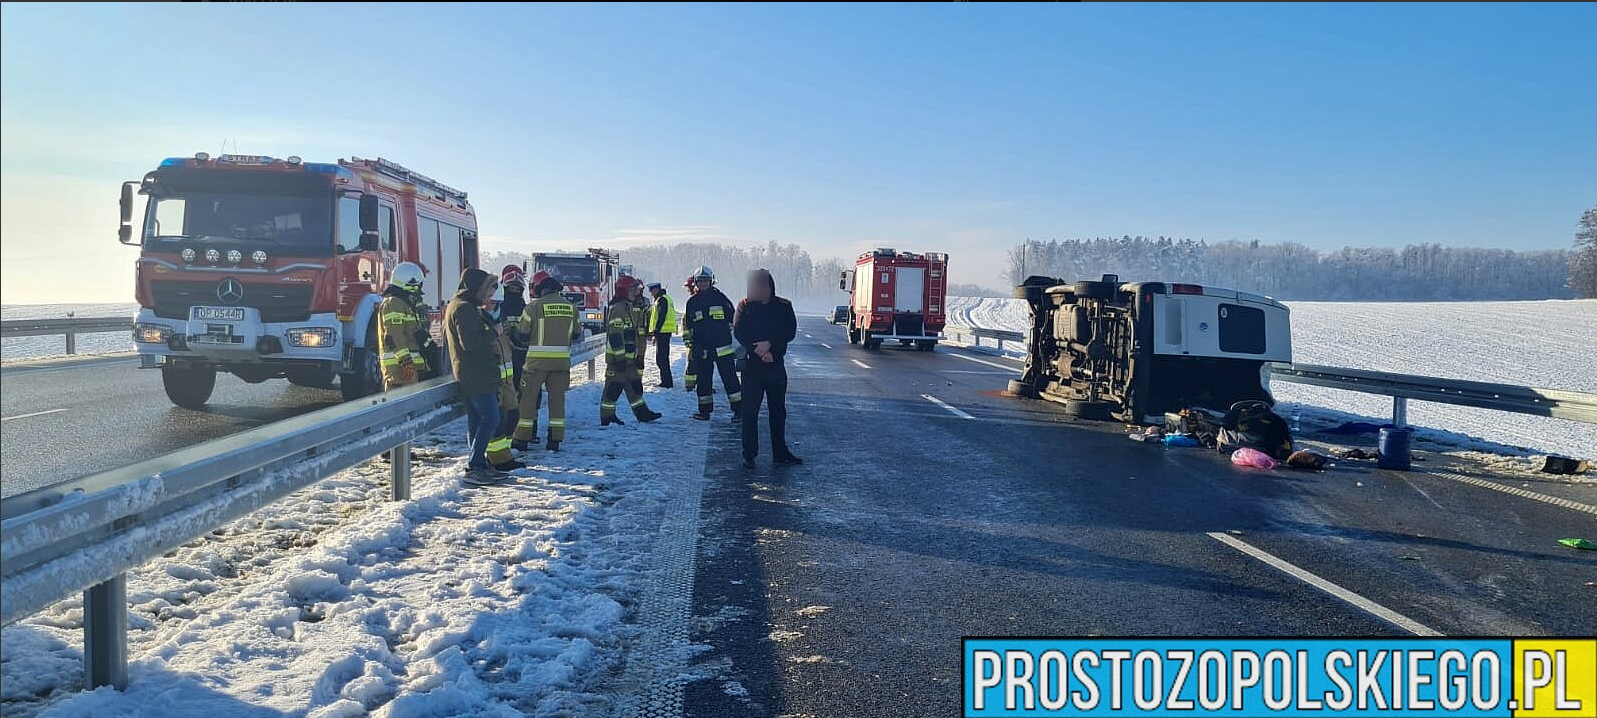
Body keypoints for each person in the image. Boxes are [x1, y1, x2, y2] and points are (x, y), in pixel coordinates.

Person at [443, 268, 508, 484]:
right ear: (477, 288)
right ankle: (475, 465)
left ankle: (477, 463)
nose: (490, 294)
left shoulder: (463, 306)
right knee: (491, 418)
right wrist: (495, 331)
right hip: (476, 373)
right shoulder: (463, 309)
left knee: (476, 419)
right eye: (488, 288)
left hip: (472, 372)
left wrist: (485, 312)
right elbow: (471, 343)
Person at [734, 269, 802, 468]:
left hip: (775, 365)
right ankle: (749, 454)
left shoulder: (783, 306)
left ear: (770, 286)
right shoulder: (744, 306)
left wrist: (771, 345)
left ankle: (780, 452)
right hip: (752, 367)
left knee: (778, 411)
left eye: (763, 285)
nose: (760, 289)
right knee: (750, 411)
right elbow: (739, 331)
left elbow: (789, 331)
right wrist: (759, 351)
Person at [513, 271, 581, 452]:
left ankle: (522, 439)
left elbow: (521, 335)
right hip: (561, 364)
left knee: (527, 400)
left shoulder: (533, 308)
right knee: (557, 401)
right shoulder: (571, 308)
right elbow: (577, 334)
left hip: (536, 364)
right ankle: (555, 440)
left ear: (540, 290)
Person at [600, 275, 663, 426]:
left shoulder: (628, 307)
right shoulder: (617, 309)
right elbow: (616, 336)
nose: (636, 292)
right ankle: (607, 417)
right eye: (633, 289)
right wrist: (620, 357)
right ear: (625, 291)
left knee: (634, 385)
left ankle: (642, 413)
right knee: (612, 389)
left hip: (629, 360)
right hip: (618, 361)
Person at [683, 265, 741, 422]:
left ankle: (739, 411)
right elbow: (689, 326)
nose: (703, 284)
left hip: (723, 348)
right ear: (696, 282)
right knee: (703, 382)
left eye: (706, 281)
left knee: (730, 380)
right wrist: (692, 345)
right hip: (702, 350)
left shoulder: (721, 299)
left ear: (711, 281)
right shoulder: (692, 303)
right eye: (700, 281)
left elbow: (734, 320)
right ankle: (704, 412)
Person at [483, 285, 525, 472]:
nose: (493, 306)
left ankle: (504, 451)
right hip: (493, 380)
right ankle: (497, 458)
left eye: (496, 302)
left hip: (507, 380)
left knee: (513, 414)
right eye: (491, 302)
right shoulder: (480, 321)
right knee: (498, 419)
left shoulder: (499, 321)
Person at [376, 262, 431, 390]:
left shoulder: (407, 303)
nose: (420, 287)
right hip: (400, 371)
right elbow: (393, 336)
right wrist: (405, 361)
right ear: (411, 282)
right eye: (419, 283)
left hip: (412, 369)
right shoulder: (393, 303)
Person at [499, 265, 529, 396]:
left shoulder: (526, 308)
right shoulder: (498, 307)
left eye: (517, 289)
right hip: (504, 354)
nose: (514, 291)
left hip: (522, 354)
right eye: (512, 288)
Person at [646, 282, 676, 388]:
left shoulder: (661, 300)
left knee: (661, 359)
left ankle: (667, 382)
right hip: (665, 332)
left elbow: (661, 317)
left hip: (663, 332)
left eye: (652, 290)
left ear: (657, 290)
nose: (651, 293)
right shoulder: (665, 298)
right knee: (662, 358)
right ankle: (667, 381)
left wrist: (656, 333)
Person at [681, 276, 700, 393]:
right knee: (692, 362)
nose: (688, 290)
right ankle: (690, 385)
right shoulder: (692, 302)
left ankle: (696, 383)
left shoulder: (696, 301)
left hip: (698, 339)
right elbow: (685, 323)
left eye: (688, 288)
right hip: (693, 340)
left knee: (699, 363)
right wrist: (687, 339)